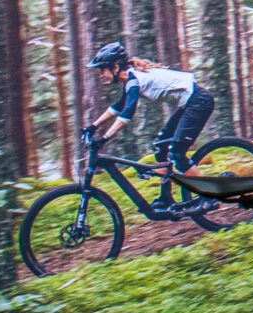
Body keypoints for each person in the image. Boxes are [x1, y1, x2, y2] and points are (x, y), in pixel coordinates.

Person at [89, 43, 213, 203]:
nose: (101, 75)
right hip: (190, 103)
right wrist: (93, 126)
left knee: (176, 154)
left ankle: (208, 195)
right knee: (161, 146)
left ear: (115, 67)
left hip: (199, 102)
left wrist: (105, 137)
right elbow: (118, 107)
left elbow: (127, 114)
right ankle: (166, 198)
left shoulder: (134, 81)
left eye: (103, 70)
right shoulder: (131, 79)